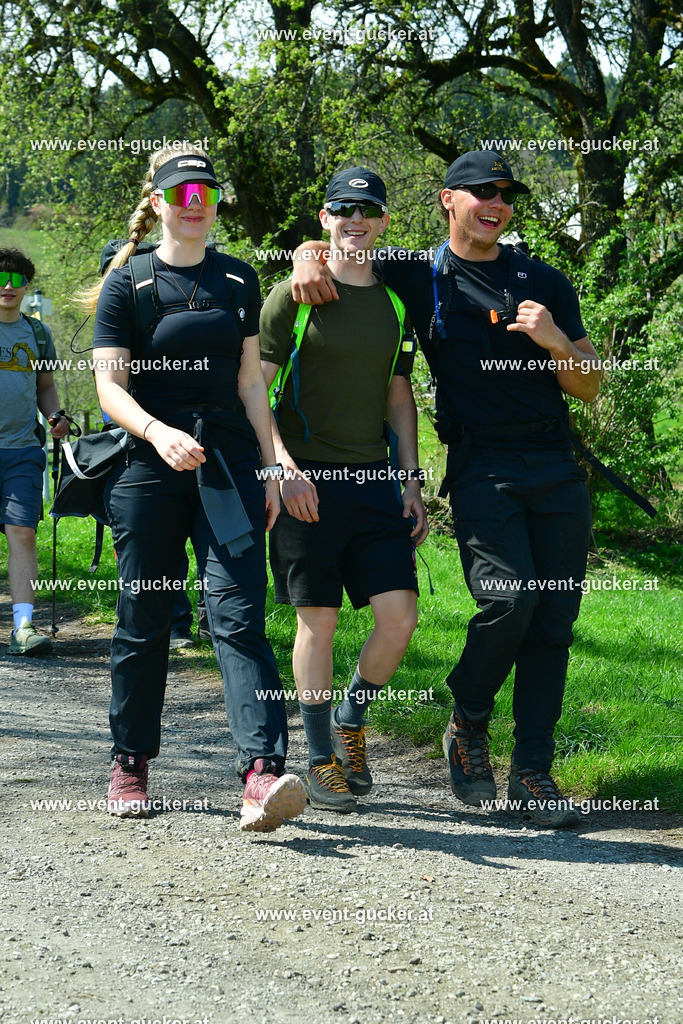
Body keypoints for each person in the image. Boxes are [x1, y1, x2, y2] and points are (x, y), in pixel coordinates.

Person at [290, 151, 602, 828]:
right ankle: (468, 717)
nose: (496, 204)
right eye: (481, 191)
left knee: (553, 620)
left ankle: (533, 771)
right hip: (481, 465)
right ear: (447, 199)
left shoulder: (542, 280)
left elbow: (589, 384)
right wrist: (303, 255)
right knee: (509, 600)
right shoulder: (415, 271)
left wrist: (554, 341)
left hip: (554, 464)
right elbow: (343, 241)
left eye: (506, 195)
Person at [85, 144, 306, 829]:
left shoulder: (238, 279)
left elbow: (250, 384)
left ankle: (261, 773)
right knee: (145, 615)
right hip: (148, 469)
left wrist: (272, 464)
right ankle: (130, 761)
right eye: (181, 194)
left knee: (238, 616)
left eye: (205, 194)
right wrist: (158, 433)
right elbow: (108, 388)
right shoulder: (128, 283)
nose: (195, 204)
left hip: (229, 468)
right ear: (157, 203)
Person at [259, 168, 428, 813]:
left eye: (368, 209)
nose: (356, 219)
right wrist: (281, 468)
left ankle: (351, 717)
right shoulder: (293, 295)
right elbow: (256, 391)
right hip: (304, 480)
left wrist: (410, 480)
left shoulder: (395, 303)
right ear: (325, 216)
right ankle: (319, 757)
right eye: (343, 207)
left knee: (400, 617)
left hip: (374, 482)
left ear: (383, 220)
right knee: (319, 620)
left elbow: (398, 394)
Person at [0, 248, 70, 655]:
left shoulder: (38, 334)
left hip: (23, 450)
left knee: (23, 533)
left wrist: (55, 416)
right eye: (1, 278)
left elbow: (45, 386)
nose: (8, 287)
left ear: (26, 286)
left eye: (16, 280)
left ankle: (23, 627)